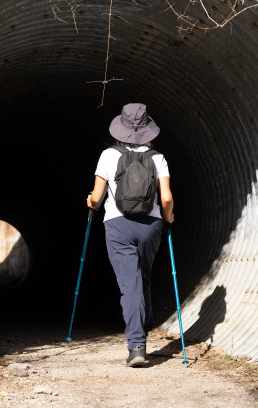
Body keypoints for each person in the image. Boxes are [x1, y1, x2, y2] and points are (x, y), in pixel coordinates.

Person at [87, 103, 174, 367]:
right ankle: (143, 326)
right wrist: (168, 217)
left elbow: (96, 197)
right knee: (143, 277)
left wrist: (90, 202)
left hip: (118, 224)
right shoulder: (158, 158)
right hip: (151, 226)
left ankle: (137, 345)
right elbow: (167, 197)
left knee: (130, 284)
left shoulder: (108, 155)